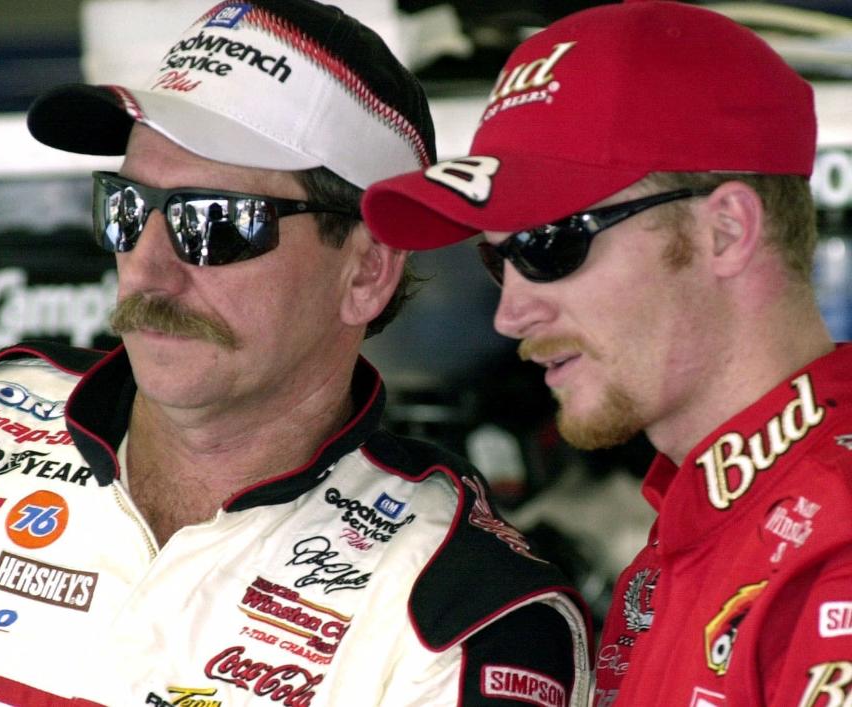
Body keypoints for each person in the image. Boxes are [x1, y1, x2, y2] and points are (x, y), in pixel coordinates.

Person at [0, 1, 591, 705]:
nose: (149, 269)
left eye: (216, 222)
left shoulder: (466, 612)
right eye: (126, 208)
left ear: (366, 271)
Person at [361, 1, 852, 705]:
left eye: (551, 243)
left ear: (726, 229)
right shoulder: (689, 533)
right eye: (499, 260)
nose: (509, 313)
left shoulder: (832, 541)